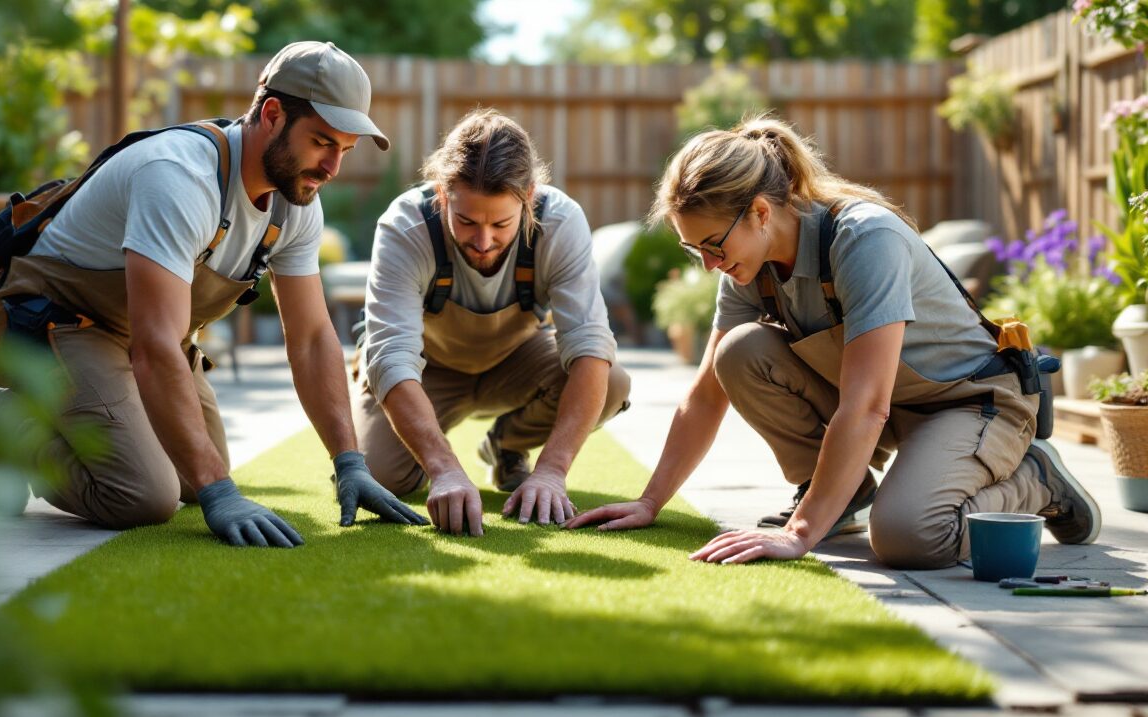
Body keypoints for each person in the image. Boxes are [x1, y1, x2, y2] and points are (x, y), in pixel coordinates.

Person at [567, 116, 1100, 569]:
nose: (708, 263)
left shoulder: (865, 239)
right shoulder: (746, 266)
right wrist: (649, 502)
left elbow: (865, 407)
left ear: (760, 212)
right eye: (693, 249)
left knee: (910, 538)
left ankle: (1037, 477)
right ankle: (848, 499)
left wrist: (799, 533)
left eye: (711, 244)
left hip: (970, 404)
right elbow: (707, 394)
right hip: (886, 406)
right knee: (741, 352)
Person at [0, 41, 426, 547]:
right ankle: (17, 429)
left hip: (148, 332)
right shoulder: (179, 176)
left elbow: (313, 337)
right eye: (322, 142)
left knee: (194, 476)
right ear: (273, 115)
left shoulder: (295, 203)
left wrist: (348, 461)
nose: (332, 168)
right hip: (63, 323)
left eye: (345, 149)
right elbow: (155, 345)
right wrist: (221, 492)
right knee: (143, 496)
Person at [353, 109, 631, 537]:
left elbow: (590, 345)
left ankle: (506, 445)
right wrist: (444, 469)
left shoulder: (560, 221)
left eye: (501, 224)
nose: (483, 241)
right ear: (443, 195)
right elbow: (391, 355)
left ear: (529, 197)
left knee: (612, 381)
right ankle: (414, 436)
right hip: (426, 369)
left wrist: (552, 471)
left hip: (516, 360)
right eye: (466, 222)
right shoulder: (406, 225)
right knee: (381, 477)